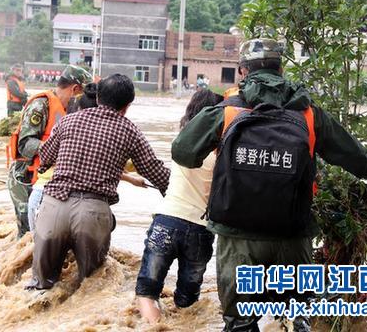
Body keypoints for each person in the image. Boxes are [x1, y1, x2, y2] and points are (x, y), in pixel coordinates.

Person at [171, 38, 367, 332]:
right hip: (293, 235)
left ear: (242, 71)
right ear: (281, 69)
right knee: (297, 319)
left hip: (237, 237)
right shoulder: (308, 114)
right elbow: (351, 153)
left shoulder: (226, 111)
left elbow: (183, 153)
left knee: (240, 321)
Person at [27, 74, 170, 290]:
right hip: (92, 214)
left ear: (98, 97)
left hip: (53, 207)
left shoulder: (69, 120)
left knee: (40, 288)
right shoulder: (130, 131)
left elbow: (45, 158)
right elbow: (156, 172)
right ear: (128, 105)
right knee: (91, 289)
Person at [135, 89, 223, 324]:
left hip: (166, 222)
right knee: (188, 303)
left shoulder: (181, 141)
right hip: (200, 231)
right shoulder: (223, 154)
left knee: (147, 291)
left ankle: (155, 327)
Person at [27, 82, 147, 232]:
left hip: (44, 198)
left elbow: (84, 166)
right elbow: (98, 169)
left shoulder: (64, 125)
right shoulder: (108, 134)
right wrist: (134, 172)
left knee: (37, 251)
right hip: (70, 204)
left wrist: (132, 178)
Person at [7, 65, 92, 237]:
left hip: (49, 177)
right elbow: (25, 144)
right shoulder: (41, 106)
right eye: (83, 93)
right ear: (75, 89)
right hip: (26, 176)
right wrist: (59, 150)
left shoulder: (72, 109)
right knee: (27, 234)